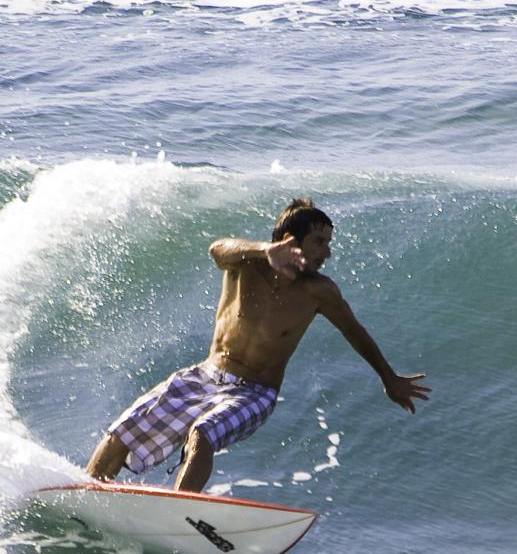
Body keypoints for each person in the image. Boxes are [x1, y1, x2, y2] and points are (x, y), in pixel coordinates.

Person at [85, 198, 430, 493]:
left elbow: (354, 331)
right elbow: (218, 248)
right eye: (320, 242)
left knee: (203, 433)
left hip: (254, 393)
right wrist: (266, 251)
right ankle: (87, 493)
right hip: (205, 376)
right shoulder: (244, 265)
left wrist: (388, 377)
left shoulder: (319, 291)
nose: (328, 252)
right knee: (125, 429)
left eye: (328, 242)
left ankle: (179, 512)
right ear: (289, 240)